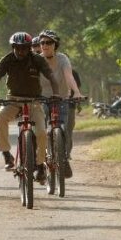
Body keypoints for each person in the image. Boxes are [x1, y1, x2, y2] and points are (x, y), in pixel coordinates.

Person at [0, 32, 61, 184]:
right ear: (13, 47)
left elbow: (51, 76)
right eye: (17, 48)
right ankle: (6, 154)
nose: (21, 51)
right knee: (0, 117)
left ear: (29, 48)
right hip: (13, 100)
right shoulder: (7, 60)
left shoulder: (38, 59)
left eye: (24, 48)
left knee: (41, 132)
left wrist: (56, 94)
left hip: (34, 102)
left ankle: (40, 166)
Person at [37, 29, 83, 159]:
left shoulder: (63, 59)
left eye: (49, 42)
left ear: (55, 45)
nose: (45, 45)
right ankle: (41, 152)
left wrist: (77, 92)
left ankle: (63, 158)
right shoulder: (37, 60)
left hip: (61, 98)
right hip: (42, 98)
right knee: (41, 124)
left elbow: (69, 76)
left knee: (64, 128)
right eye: (42, 43)